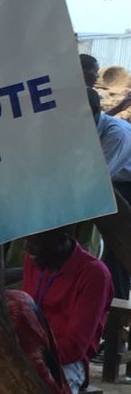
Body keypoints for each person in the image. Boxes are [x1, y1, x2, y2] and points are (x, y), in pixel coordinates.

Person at [20, 226, 112, 394]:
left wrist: (31, 357)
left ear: (62, 239)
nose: (27, 248)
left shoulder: (94, 274)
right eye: (26, 240)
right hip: (31, 350)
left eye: (35, 242)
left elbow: (74, 347)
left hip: (67, 361)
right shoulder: (35, 259)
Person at [89, 88, 131, 301]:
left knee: (117, 255)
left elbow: (98, 177)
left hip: (124, 187)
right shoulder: (91, 126)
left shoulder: (117, 133)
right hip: (104, 183)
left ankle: (118, 309)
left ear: (95, 112)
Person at [83, 53, 131, 117]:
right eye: (95, 71)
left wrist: (121, 106)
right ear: (83, 71)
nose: (97, 76)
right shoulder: (90, 95)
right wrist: (121, 106)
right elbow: (96, 122)